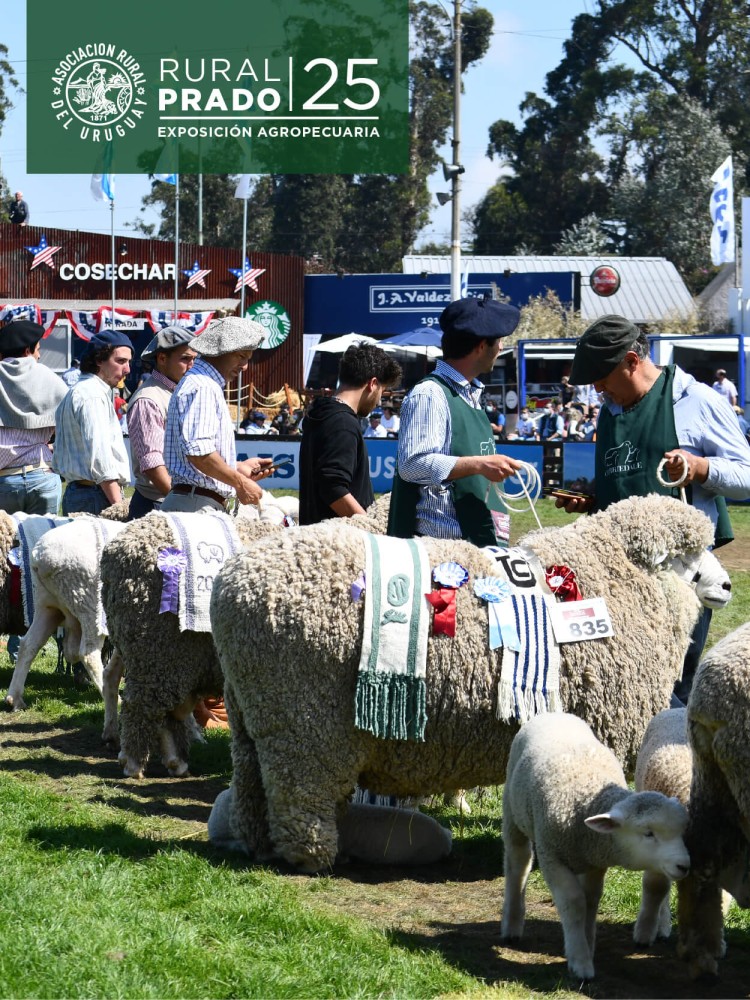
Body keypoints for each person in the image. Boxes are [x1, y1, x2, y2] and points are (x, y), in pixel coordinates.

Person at [559, 313, 750, 703]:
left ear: (631, 361)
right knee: (619, 681)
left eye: (602, 377)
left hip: (678, 577)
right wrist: (592, 498)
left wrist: (700, 468)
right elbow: (627, 474)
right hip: (614, 574)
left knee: (670, 688)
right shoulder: (611, 409)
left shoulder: (696, 401)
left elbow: (746, 474)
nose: (597, 388)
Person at [388, 296, 523, 546]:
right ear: (481, 345)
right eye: (499, 341)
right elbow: (412, 465)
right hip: (439, 548)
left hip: (473, 542)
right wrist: (480, 464)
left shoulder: (471, 394)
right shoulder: (429, 393)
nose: (501, 348)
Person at [0, 319, 69, 664]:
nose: (40, 354)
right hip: (42, 476)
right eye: (39, 348)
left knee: (5, 563)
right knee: (46, 559)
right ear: (29, 349)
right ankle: (49, 639)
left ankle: (13, 640)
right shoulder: (50, 379)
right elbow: (64, 424)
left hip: (4, 479)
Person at [162, 316, 273, 514]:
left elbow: (197, 456)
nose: (245, 366)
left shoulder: (202, 383)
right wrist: (240, 483)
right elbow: (199, 453)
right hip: (196, 506)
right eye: (241, 356)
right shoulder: (203, 386)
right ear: (220, 351)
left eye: (248, 358)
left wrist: (237, 467)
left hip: (195, 501)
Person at [299, 343, 402, 525]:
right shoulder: (342, 423)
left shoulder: (321, 413)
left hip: (320, 530)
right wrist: (369, 527)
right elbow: (333, 488)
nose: (379, 401)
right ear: (372, 384)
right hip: (339, 538)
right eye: (382, 391)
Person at [54, 330, 133, 516]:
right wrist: (119, 506)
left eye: (128, 362)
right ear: (99, 360)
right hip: (95, 494)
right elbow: (100, 459)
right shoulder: (92, 395)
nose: (127, 369)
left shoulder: (84, 391)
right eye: (121, 361)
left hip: (86, 492)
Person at [125, 326, 197, 520]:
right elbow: (152, 464)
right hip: (158, 504)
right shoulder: (148, 399)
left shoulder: (176, 392)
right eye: (185, 359)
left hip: (172, 499)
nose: (192, 365)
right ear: (162, 358)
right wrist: (180, 502)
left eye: (194, 359)